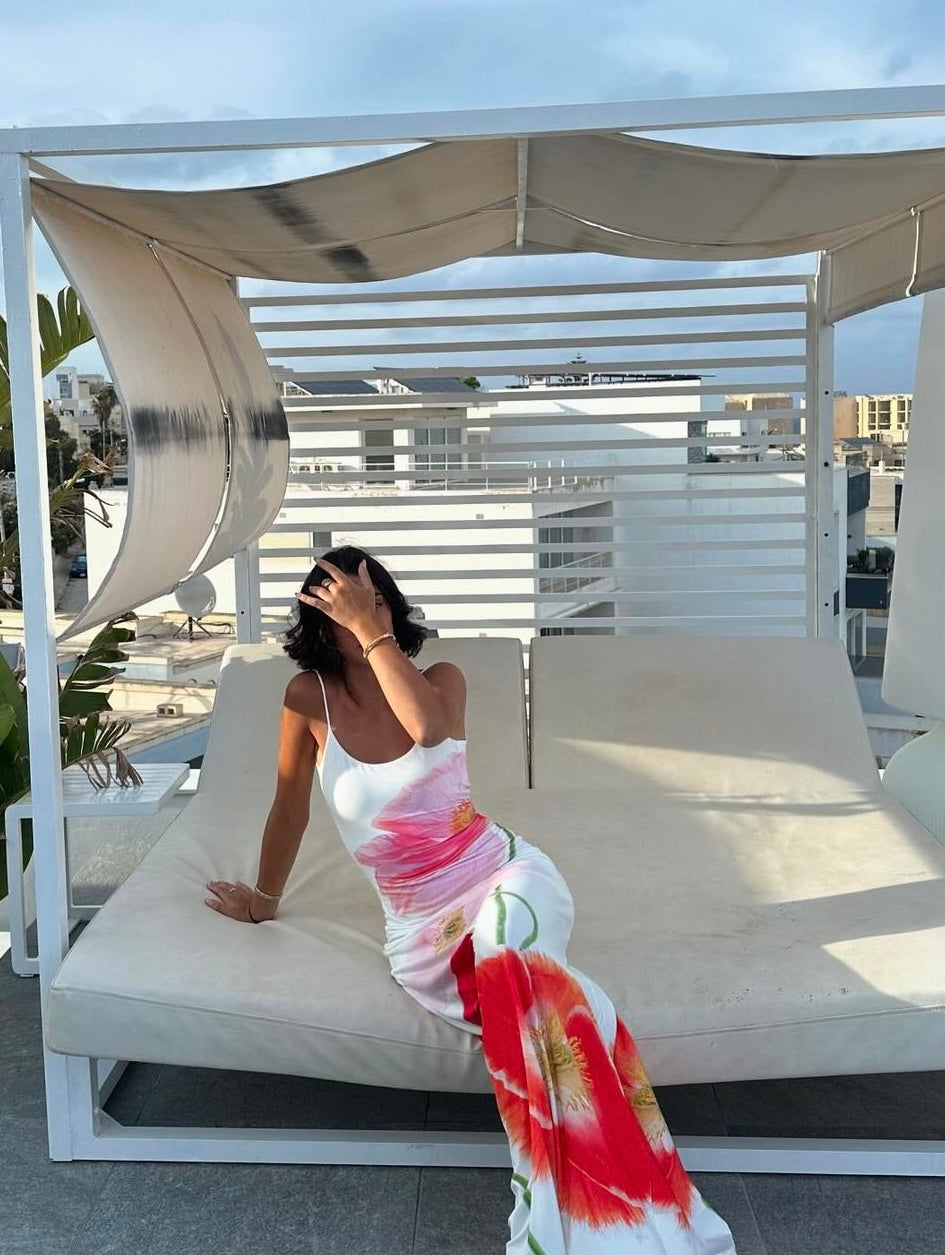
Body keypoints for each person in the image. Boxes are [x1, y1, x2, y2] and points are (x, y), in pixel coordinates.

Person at [205, 546, 737, 1255]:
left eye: (377, 600)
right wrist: (263, 901)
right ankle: (627, 1202)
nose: (366, 614)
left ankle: (567, 1217)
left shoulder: (441, 680)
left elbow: (426, 729)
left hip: (506, 874)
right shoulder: (307, 700)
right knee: (542, 1000)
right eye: (346, 606)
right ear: (318, 621)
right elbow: (289, 810)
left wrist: (370, 631)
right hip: (422, 934)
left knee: (507, 949)